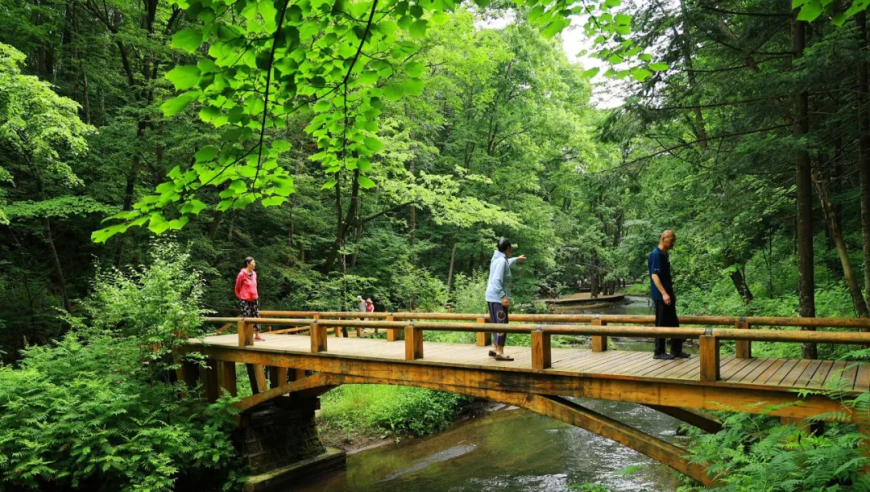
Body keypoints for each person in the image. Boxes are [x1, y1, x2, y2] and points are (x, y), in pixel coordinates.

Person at [484, 238, 527, 361]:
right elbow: (497, 280)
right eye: (511, 247)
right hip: (498, 298)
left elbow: (505, 262)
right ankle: (500, 352)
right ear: (508, 248)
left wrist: (515, 259)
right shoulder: (501, 261)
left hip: (491, 297)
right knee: (502, 324)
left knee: (496, 323)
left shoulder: (497, 259)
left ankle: (494, 347)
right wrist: (503, 297)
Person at [649, 230, 689, 360]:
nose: (673, 243)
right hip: (661, 296)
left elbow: (666, 277)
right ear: (663, 239)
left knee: (674, 323)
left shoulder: (665, 255)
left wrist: (671, 294)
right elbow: (655, 276)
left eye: (674, 240)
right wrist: (664, 293)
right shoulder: (656, 255)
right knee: (661, 323)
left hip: (667, 295)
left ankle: (676, 349)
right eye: (671, 240)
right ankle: (658, 352)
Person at [235, 256, 265, 342]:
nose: (254, 264)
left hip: (254, 298)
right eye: (253, 263)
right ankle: (247, 336)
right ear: (248, 264)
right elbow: (237, 286)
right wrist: (241, 295)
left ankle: (257, 335)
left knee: (255, 315)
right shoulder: (242, 274)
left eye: (254, 263)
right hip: (244, 298)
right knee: (246, 316)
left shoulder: (254, 274)